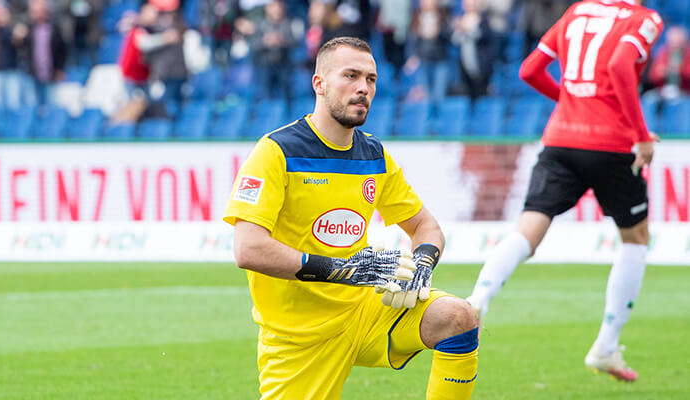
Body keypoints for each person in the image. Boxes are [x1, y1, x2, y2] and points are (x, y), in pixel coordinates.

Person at [224, 36, 479, 400]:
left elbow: (427, 227)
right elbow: (248, 249)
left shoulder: (373, 154)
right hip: (300, 336)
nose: (363, 88)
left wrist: (423, 262)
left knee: (458, 317)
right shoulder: (275, 152)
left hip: (364, 311)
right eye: (351, 76)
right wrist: (347, 269)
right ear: (320, 83)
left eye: (371, 79)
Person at [466, 0, 663, 382]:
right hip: (611, 146)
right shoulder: (645, 19)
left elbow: (528, 70)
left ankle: (477, 300)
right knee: (636, 238)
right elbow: (621, 65)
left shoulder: (577, 11)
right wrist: (640, 136)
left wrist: (574, 104)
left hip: (561, 140)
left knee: (527, 232)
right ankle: (606, 346)